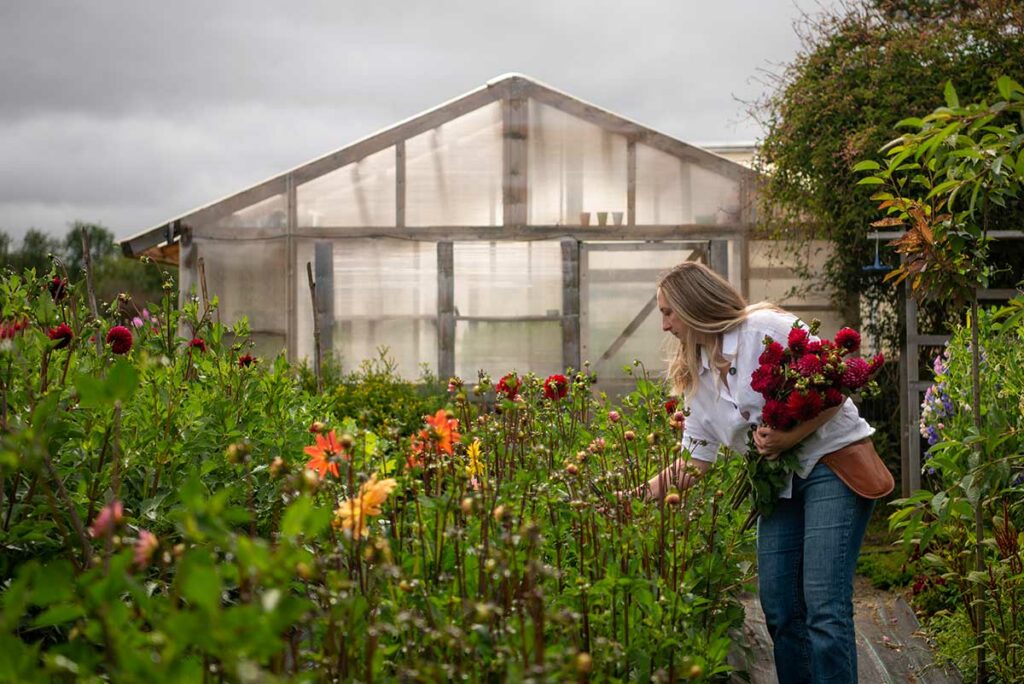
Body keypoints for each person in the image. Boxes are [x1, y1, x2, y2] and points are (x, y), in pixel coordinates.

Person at [631, 261, 875, 684]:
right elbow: (693, 462)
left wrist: (789, 435)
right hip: (778, 483)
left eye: (668, 312)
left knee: (823, 605)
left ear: (692, 305)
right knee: (779, 606)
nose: (664, 325)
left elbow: (837, 388)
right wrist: (630, 497)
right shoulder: (696, 377)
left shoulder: (764, 329)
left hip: (831, 463)